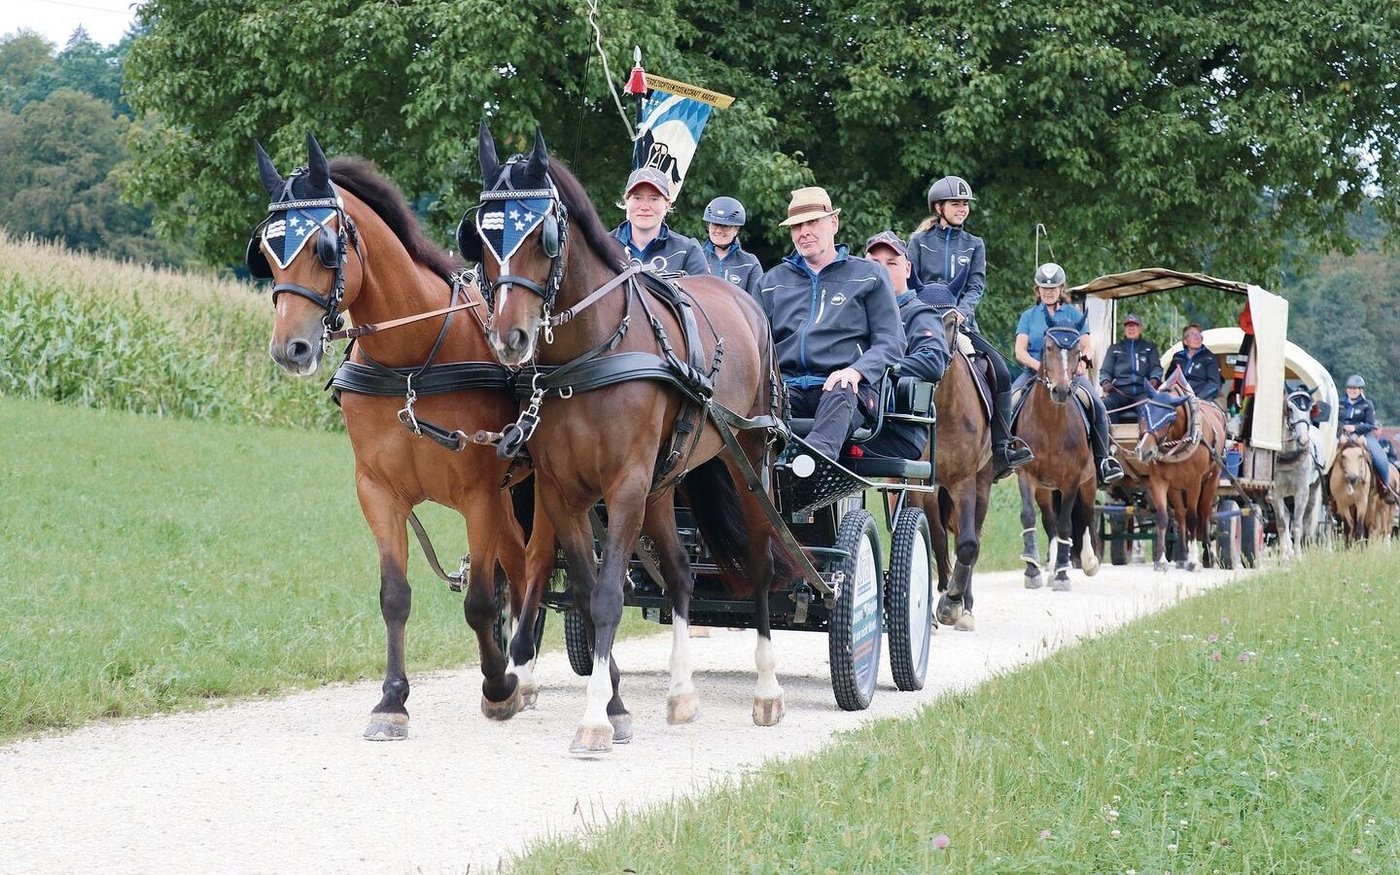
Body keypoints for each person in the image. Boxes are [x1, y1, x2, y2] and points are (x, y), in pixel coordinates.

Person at [756, 187, 905, 460]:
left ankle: (810, 467)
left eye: (812, 222)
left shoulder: (869, 275)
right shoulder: (770, 283)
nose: (804, 232)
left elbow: (892, 341)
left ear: (833, 223)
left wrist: (856, 371)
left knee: (841, 389)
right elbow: (754, 345)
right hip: (785, 389)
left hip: (848, 389)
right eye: (797, 226)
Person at [907, 175, 1031, 478]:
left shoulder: (974, 244)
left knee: (1000, 371)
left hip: (960, 326)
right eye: (956, 203)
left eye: (965, 204)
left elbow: (976, 285)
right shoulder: (919, 242)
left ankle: (1002, 448)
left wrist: (962, 312)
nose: (962, 208)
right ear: (939, 207)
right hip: (922, 323)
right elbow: (910, 282)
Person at [1012, 262, 1125, 485]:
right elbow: (1019, 351)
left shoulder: (1074, 314)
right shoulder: (1029, 316)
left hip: (1069, 374)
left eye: (1053, 288)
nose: (1048, 292)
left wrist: (1083, 360)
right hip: (1034, 372)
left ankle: (1103, 462)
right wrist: (1039, 367)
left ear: (1061, 289)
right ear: (1037, 290)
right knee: (1010, 401)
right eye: (1044, 288)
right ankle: (1005, 454)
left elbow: (1087, 346)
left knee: (1098, 406)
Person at [859, 231, 950, 459]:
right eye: (875, 263)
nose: (882, 270)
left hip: (894, 426)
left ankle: (1002, 444)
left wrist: (875, 366)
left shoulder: (920, 314)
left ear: (907, 269)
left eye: (891, 263)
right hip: (853, 413)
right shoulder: (852, 313)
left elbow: (934, 360)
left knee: (995, 369)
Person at [609, 167, 709, 275]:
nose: (645, 207)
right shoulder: (601, 247)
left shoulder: (687, 251)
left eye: (654, 199)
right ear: (626, 202)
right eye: (637, 198)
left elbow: (705, 291)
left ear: (667, 205)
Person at [1338, 374, 1396, 503]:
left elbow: (1370, 424)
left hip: (1363, 436)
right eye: (1350, 388)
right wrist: (1343, 427)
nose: (1352, 391)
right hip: (1342, 435)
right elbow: (1334, 421)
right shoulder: (1340, 403)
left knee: (1380, 457)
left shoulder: (1367, 404)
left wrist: (1355, 428)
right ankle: (1324, 486)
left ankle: (1385, 487)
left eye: (1355, 389)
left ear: (1361, 391)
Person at [1099, 313, 1163, 422]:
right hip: (1119, 391)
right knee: (1105, 405)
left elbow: (1156, 367)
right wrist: (1105, 381)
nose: (1131, 329)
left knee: (1148, 407)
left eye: (1134, 326)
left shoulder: (1149, 348)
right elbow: (1105, 371)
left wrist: (1155, 378)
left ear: (1140, 328)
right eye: (1128, 326)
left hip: (1142, 391)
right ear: (1124, 329)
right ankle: (1112, 437)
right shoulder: (1114, 348)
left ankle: (1144, 438)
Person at [701, 196, 763, 297]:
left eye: (725, 226)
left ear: (737, 230)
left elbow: (757, 304)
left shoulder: (749, 263)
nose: (718, 230)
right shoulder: (696, 257)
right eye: (714, 225)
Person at [1166, 324, 1223, 403]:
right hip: (1178, 396)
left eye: (1199, 335)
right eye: (1192, 335)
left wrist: (1198, 398)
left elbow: (1214, 383)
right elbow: (1169, 378)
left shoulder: (1210, 357)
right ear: (1185, 341)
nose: (1197, 337)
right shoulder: (1178, 357)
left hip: (1201, 398)